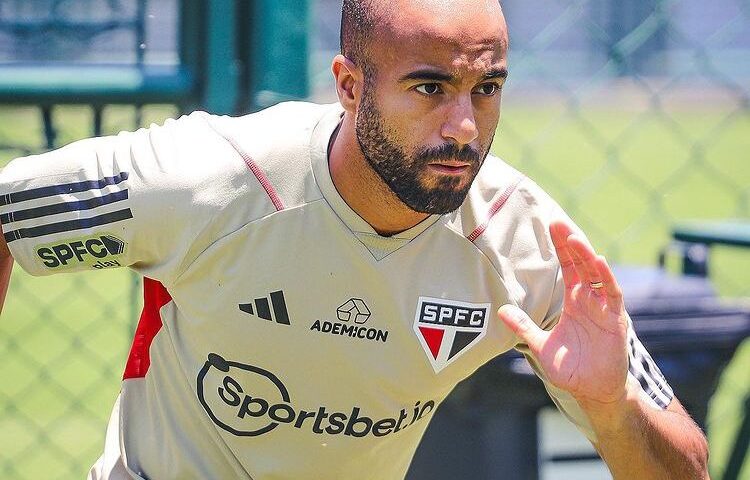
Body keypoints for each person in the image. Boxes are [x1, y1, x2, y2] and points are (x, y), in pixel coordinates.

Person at [0, 0, 709, 478]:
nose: (464, 125)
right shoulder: (212, 176)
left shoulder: (526, 242)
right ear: (348, 84)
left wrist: (614, 413)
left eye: (486, 88)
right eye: (430, 88)